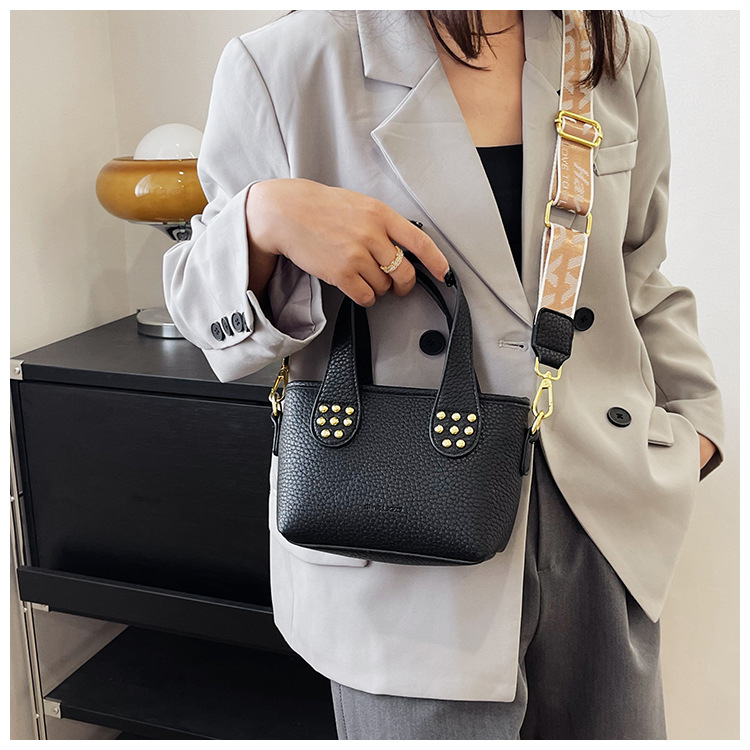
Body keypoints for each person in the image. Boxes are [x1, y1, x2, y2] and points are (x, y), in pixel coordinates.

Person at [163, 10, 725, 740]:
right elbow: (198, 309)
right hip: (403, 541)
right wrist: (262, 217)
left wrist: (696, 424)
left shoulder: (610, 47)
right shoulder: (288, 62)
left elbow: (636, 270)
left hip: (603, 520)